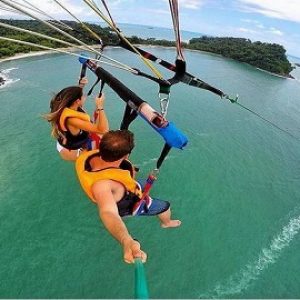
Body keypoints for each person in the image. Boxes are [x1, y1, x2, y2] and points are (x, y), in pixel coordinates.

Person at [75, 129, 181, 264]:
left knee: (139, 183)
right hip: (128, 204)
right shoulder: (102, 186)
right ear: (126, 156)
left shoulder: (88, 155)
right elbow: (108, 212)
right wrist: (126, 240)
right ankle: (166, 223)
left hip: (126, 188)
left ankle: (142, 194)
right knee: (165, 207)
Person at [44, 78, 109, 161]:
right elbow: (103, 129)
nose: (85, 96)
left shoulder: (70, 107)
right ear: (77, 101)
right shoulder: (72, 119)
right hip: (71, 149)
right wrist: (100, 106)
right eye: (83, 96)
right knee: (104, 139)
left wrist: (81, 85)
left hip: (67, 139)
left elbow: (74, 97)